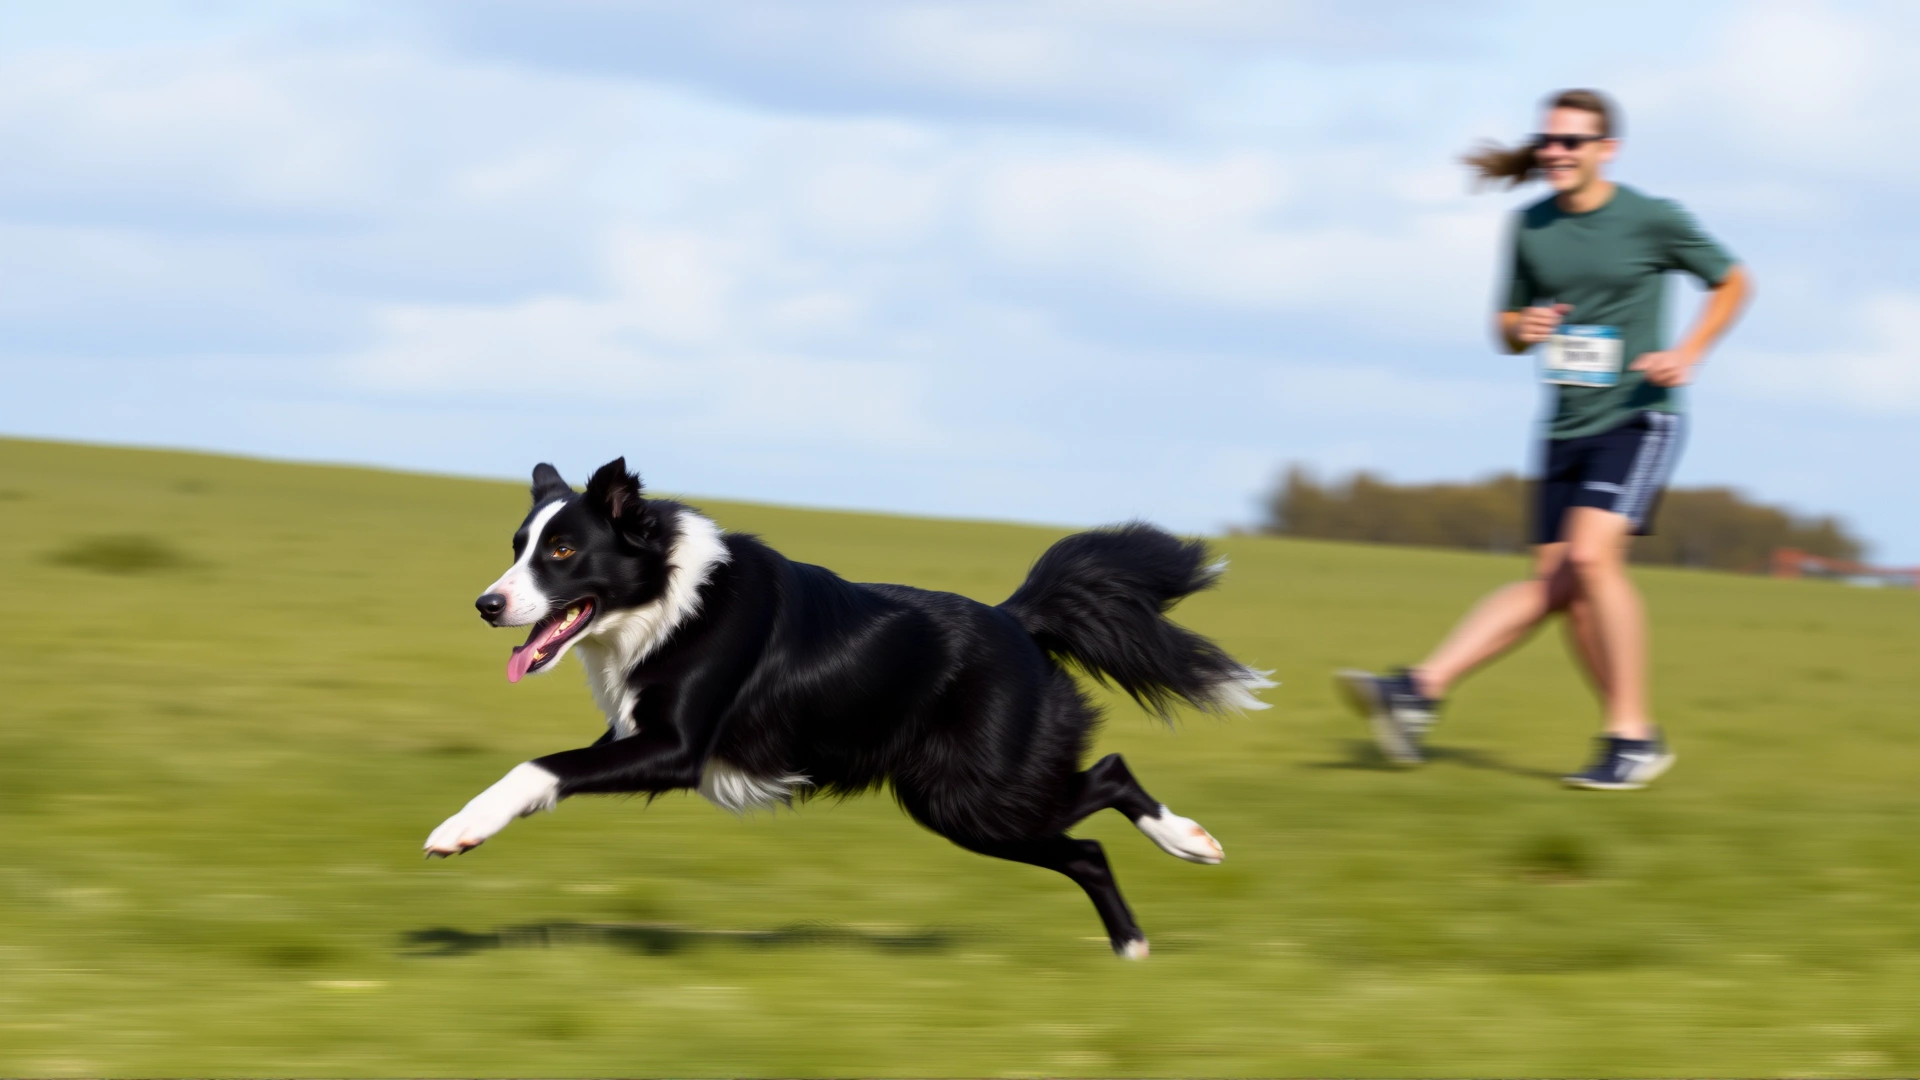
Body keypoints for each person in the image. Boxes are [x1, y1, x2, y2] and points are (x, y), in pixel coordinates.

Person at [1336, 89, 1752, 790]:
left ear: (1606, 150)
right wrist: (1518, 328)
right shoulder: (1529, 225)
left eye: (1573, 142)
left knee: (1590, 560)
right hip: (1562, 427)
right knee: (1561, 587)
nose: (1555, 153)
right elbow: (1505, 324)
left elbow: (1734, 281)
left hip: (1639, 413)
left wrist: (1692, 351)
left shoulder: (1652, 220)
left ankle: (1629, 735)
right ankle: (1420, 690)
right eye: (1548, 142)